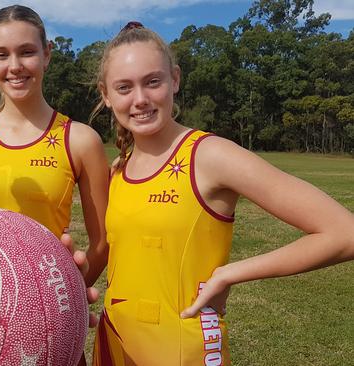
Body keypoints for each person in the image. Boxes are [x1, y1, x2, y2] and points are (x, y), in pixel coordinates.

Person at [90, 21, 354, 366]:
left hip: (183, 351)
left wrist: (230, 273)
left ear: (175, 80)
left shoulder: (210, 155)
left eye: (152, 82)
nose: (140, 99)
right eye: (124, 87)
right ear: (106, 95)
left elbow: (344, 233)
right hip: (113, 346)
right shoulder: (119, 167)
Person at [0, 4, 109, 288]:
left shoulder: (79, 139)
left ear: (46, 53)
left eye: (27, 52)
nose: (15, 66)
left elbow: (102, 241)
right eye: (2, 54)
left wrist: (70, 296)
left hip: (46, 300)